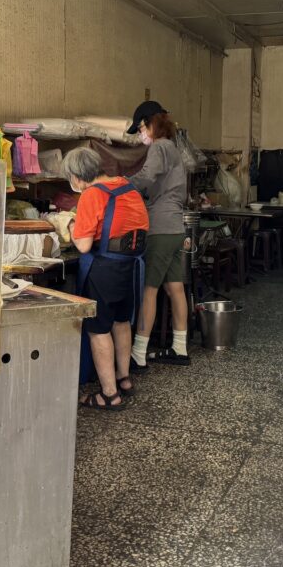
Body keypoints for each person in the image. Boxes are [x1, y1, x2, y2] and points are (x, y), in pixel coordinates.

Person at [65, 148, 149, 409]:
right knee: (121, 322)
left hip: (105, 270)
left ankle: (109, 395)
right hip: (131, 267)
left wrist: (69, 226)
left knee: (98, 329)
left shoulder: (91, 195)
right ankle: (124, 379)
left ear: (78, 178)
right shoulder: (128, 187)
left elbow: (83, 245)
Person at [126, 101, 191, 368]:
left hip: (159, 229)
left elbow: (145, 178)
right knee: (175, 288)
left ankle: (138, 353)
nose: (141, 134)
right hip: (176, 229)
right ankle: (179, 347)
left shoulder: (159, 147)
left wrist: (115, 186)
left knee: (148, 291)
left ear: (151, 123)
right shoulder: (173, 149)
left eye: (141, 127)